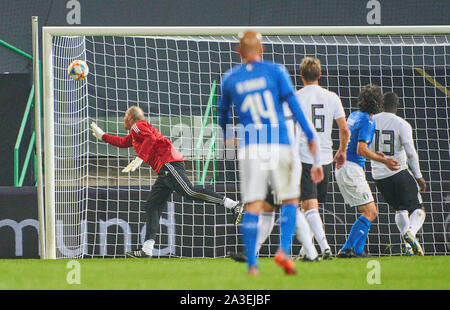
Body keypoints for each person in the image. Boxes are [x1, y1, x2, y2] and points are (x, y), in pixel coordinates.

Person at [218, 30, 322, 275]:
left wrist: (226, 135)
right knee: (289, 200)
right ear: (262, 49)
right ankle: (283, 251)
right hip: (279, 142)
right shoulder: (276, 71)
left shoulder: (230, 78)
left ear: (238, 51)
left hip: (251, 145)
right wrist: (309, 135)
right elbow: (294, 106)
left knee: (253, 204)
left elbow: (221, 114)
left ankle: (253, 266)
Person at [90, 105, 244, 258]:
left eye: (125, 115)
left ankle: (233, 205)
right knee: (152, 205)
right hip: (164, 170)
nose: (123, 118)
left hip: (169, 163)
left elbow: (150, 139)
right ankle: (147, 249)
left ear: (130, 117)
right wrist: (103, 136)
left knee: (189, 192)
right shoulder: (136, 133)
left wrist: (140, 157)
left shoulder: (138, 126)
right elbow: (123, 142)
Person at [293, 57, 350, 260]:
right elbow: (344, 129)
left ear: (301, 76)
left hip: (305, 156)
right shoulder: (332, 97)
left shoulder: (296, 97)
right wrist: (342, 151)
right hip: (325, 158)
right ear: (320, 75)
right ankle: (307, 252)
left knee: (309, 206)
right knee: (310, 206)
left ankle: (324, 248)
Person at [335, 84, 400, 258]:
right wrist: (384, 160)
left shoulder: (355, 115)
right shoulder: (368, 121)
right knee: (371, 212)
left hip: (345, 167)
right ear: (378, 103)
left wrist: (374, 154)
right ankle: (346, 249)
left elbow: (356, 145)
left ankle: (357, 251)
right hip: (351, 169)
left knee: (368, 211)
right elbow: (360, 150)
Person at [371, 92, 426, 255]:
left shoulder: (371, 121)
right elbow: (410, 153)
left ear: (381, 104)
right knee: (418, 209)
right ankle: (411, 233)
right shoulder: (402, 124)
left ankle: (408, 247)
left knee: (400, 209)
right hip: (398, 171)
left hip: (379, 176)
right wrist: (418, 175)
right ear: (397, 106)